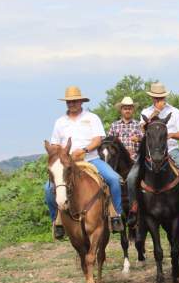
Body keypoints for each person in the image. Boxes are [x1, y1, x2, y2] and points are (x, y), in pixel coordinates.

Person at [44, 86, 123, 239]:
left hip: (90, 159)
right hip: (67, 163)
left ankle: (116, 215)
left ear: (81, 101)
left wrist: (84, 150)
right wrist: (61, 151)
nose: (71, 104)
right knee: (48, 189)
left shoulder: (92, 118)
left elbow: (98, 139)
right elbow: (54, 144)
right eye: (69, 102)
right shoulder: (60, 122)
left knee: (114, 179)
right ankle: (57, 221)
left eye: (74, 101)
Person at [127, 82, 179, 226]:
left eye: (160, 97)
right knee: (131, 177)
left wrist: (171, 135)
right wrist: (156, 113)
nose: (157, 99)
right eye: (155, 97)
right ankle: (134, 207)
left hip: (171, 149)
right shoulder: (146, 112)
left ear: (164, 96)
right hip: (150, 152)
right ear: (152, 97)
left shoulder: (175, 111)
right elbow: (142, 129)